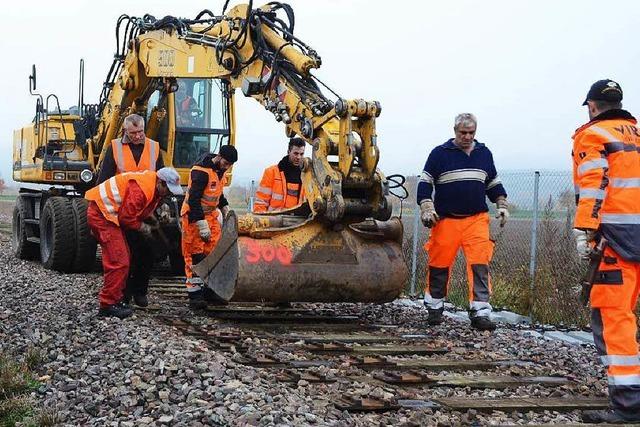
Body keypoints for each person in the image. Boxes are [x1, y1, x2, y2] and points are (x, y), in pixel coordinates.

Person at [572, 79, 640, 424]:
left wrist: (586, 229)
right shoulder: (636, 134)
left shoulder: (594, 135)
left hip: (615, 240)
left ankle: (628, 404)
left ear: (593, 106)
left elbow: (595, 183)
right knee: (620, 314)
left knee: (614, 319)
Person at [417, 113, 509, 331]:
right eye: (463, 133)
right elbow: (425, 182)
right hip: (446, 220)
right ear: (455, 131)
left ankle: (480, 311)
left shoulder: (484, 154)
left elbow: (493, 183)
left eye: (471, 133)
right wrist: (427, 207)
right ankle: (435, 307)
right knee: (439, 264)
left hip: (476, 220)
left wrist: (502, 203)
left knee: (480, 264)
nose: (467, 136)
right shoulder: (440, 154)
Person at [85, 168, 183, 318]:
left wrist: (154, 217)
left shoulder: (151, 185)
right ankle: (107, 305)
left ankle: (115, 300)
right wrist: (144, 227)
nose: (168, 194)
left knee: (123, 259)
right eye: (167, 190)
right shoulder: (141, 189)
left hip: (106, 214)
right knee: (119, 261)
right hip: (103, 215)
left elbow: (141, 208)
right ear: (161, 182)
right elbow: (126, 218)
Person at [96, 113, 165, 308]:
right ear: (125, 130)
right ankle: (124, 294)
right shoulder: (115, 147)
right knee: (125, 255)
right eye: (133, 133)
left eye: (140, 132)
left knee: (147, 252)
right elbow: (104, 179)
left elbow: (162, 178)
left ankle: (140, 292)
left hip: (145, 208)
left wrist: (160, 206)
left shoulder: (154, 147)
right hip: (121, 211)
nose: (137, 136)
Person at [181, 145, 238, 308]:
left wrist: (225, 207)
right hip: (193, 218)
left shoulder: (220, 171)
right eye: (226, 163)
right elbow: (193, 200)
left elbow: (218, 194)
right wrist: (201, 223)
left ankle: (210, 290)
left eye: (229, 165)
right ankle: (195, 295)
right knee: (195, 255)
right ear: (219, 157)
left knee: (214, 254)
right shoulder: (201, 172)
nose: (227, 167)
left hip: (211, 216)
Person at [253, 138, 306, 212]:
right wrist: (261, 221)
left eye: (301, 154)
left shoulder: (307, 177)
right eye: (296, 153)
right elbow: (261, 202)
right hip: (275, 220)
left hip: (299, 221)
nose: (298, 157)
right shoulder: (271, 172)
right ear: (288, 152)